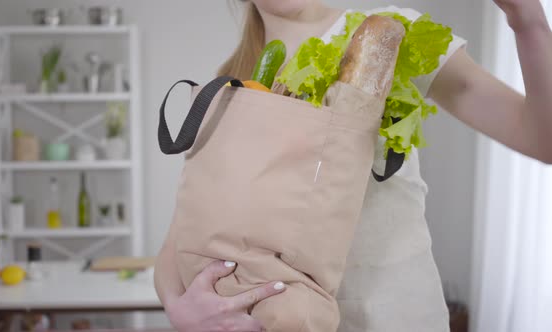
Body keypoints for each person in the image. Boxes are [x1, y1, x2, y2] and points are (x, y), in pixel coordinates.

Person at [154, 0, 552, 331]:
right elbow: (182, 238)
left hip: (398, 317)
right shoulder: (228, 83)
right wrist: (180, 308)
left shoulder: (385, 34)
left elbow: (541, 138)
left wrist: (528, 23)